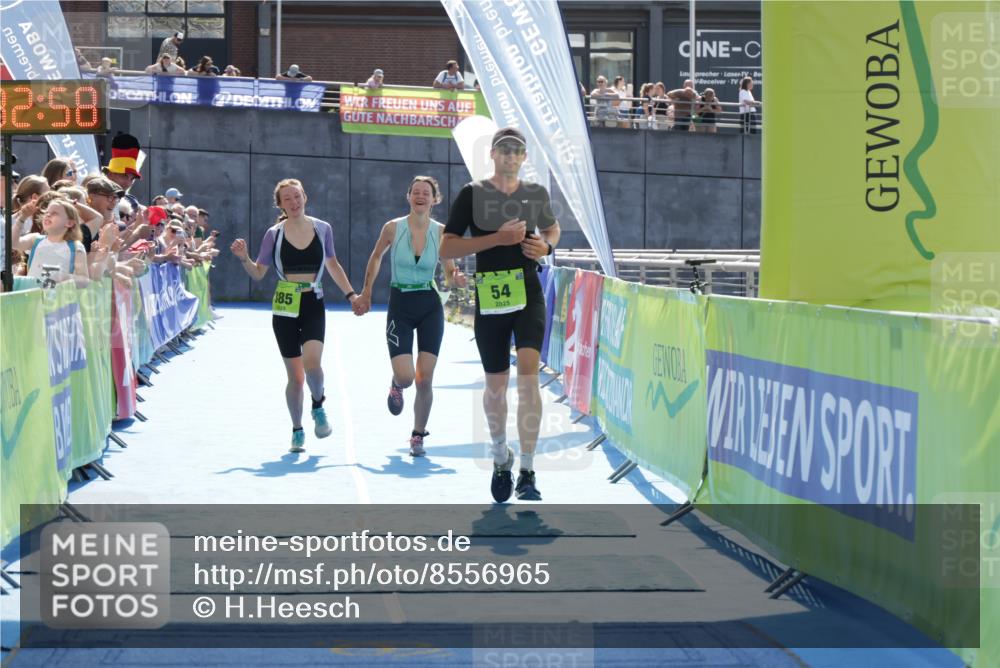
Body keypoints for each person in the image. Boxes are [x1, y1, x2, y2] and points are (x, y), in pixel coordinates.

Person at [440, 127, 560, 502]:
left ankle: (527, 469)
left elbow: (553, 229)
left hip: (528, 292)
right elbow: (447, 245)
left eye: (518, 151)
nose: (511, 156)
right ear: (492, 154)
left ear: (524, 158)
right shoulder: (473, 194)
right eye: (504, 150)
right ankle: (499, 457)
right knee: (495, 386)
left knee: (528, 380)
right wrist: (498, 239)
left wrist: (546, 246)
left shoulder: (535, 194)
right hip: (490, 296)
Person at [230, 179, 359, 453]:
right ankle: (297, 430)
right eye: (287, 199)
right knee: (295, 377)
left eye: (297, 196)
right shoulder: (273, 234)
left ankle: (318, 404)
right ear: (280, 204)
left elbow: (333, 265)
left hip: (313, 301)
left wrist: (351, 296)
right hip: (286, 304)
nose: (294, 202)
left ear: (305, 197)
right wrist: (244, 257)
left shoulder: (322, 229)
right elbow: (258, 273)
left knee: (313, 364)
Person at [353, 176, 466, 457]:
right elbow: (376, 256)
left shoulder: (441, 232)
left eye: (426, 193)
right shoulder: (392, 228)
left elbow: (449, 272)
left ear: (434, 199)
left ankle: (418, 435)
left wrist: (457, 279)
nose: (420, 196)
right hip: (400, 304)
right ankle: (396, 385)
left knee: (424, 379)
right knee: (406, 376)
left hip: (429, 305)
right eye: (415, 192)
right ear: (408, 197)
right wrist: (366, 292)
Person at [14, 197, 89, 285]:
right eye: (47, 213)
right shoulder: (35, 240)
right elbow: (14, 244)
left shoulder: (76, 247)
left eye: (54, 213)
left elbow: (84, 280)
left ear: (69, 223)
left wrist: (66, 277)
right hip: (33, 296)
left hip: (58, 297)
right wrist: (22, 218)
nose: (48, 215)